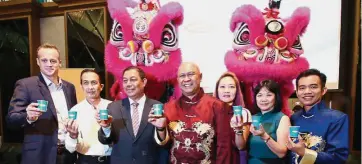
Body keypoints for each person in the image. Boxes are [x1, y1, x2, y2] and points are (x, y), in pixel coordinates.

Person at [6, 43, 78, 164]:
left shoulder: (69, 88)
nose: (49, 64)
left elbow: (74, 117)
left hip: (67, 154)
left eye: (53, 61)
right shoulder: (26, 85)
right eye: (44, 60)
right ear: (38, 62)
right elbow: (11, 119)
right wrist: (27, 117)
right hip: (39, 155)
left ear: (60, 62)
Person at [149, 62, 232, 164]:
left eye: (191, 74)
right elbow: (166, 147)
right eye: (182, 76)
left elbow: (224, 148)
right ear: (178, 80)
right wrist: (160, 128)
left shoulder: (218, 106)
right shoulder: (168, 107)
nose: (186, 79)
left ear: (200, 77)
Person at [96, 66, 167, 164]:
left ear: (144, 82)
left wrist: (161, 128)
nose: (128, 84)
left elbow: (163, 144)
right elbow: (105, 140)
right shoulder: (113, 107)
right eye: (125, 81)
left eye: (133, 80)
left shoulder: (157, 107)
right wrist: (106, 127)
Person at [287, 69, 349, 164]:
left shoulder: (337, 118)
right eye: (302, 88)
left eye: (313, 87)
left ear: (323, 90)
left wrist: (304, 152)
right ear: (297, 92)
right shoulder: (293, 118)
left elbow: (338, 157)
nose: (307, 91)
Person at [65, 69, 112, 164]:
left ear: (101, 86)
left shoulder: (113, 107)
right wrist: (72, 136)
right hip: (86, 160)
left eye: (94, 83)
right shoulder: (75, 111)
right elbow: (70, 148)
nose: (90, 87)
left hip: (112, 159)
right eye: (86, 83)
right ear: (81, 86)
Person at [248, 80, 290, 164]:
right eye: (259, 95)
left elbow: (282, 153)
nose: (263, 99)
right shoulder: (253, 117)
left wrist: (264, 136)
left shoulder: (282, 118)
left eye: (269, 95)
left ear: (276, 97)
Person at [214, 72, 252, 164]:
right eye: (222, 87)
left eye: (231, 87)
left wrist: (238, 130)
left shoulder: (243, 112)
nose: (227, 90)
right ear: (217, 90)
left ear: (237, 90)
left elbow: (241, 146)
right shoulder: (210, 112)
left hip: (235, 159)